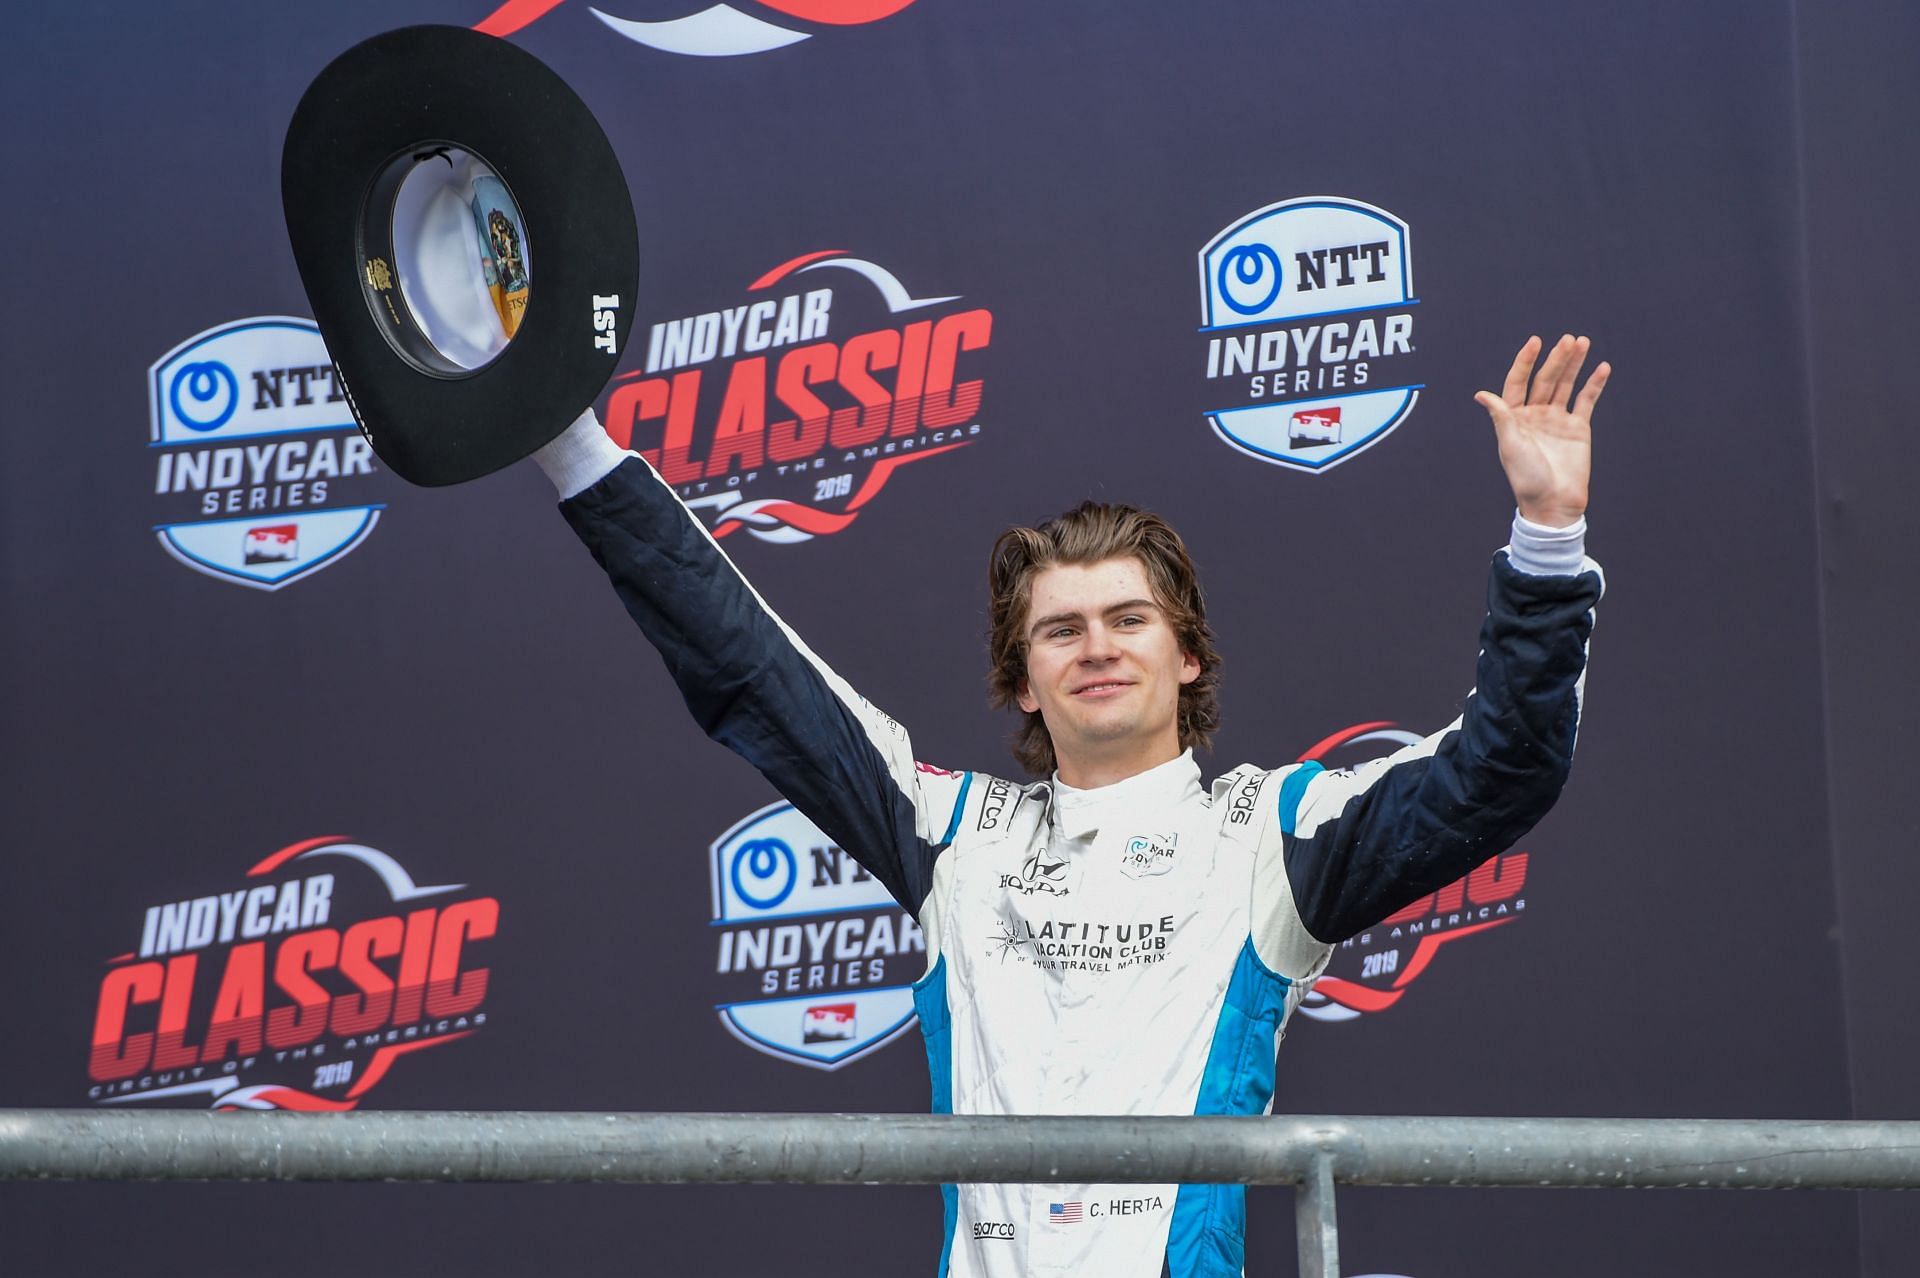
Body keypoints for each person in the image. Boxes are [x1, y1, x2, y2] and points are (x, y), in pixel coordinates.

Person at [526, 334, 1609, 1278]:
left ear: (1186, 656)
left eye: (1128, 619)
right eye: (1061, 629)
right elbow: (754, 671)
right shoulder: (950, 832)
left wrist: (1548, 538)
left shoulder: (1271, 836)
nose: (1096, 646)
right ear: (1023, 676)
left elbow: (1502, 770)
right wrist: (569, 442)